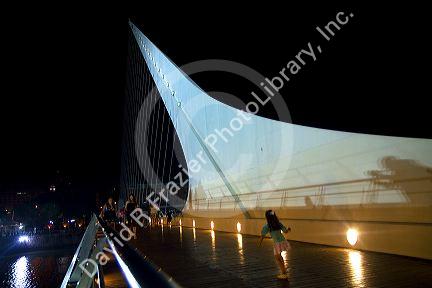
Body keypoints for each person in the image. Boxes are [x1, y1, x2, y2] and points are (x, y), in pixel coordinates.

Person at [258, 210, 291, 280]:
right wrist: (288, 229)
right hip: (283, 241)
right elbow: (285, 231)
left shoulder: (267, 226)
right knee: (279, 256)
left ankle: (284, 273)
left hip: (277, 243)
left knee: (277, 258)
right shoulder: (278, 223)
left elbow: (262, 235)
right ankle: (284, 271)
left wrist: (259, 243)